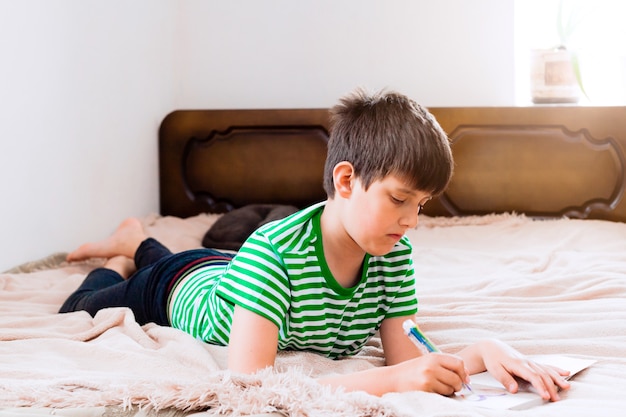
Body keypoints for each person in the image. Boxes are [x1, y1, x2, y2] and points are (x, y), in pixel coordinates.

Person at [60, 88, 571, 399]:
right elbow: (251, 386)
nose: (411, 221)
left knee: (197, 262)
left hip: (229, 272)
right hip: (176, 290)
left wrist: (486, 351)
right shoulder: (273, 252)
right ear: (346, 181)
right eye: (399, 200)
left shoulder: (393, 251)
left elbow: (406, 357)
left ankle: (140, 239)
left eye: (422, 204)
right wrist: (394, 383)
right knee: (80, 306)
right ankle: (129, 252)